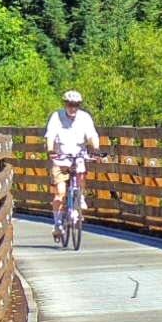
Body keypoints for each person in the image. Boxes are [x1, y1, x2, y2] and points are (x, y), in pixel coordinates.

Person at [44, 90, 101, 241]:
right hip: (61, 158)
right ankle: (57, 224)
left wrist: (96, 149)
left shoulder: (85, 117)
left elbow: (92, 135)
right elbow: (50, 135)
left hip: (78, 155)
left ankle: (80, 196)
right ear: (65, 104)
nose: (73, 108)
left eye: (76, 105)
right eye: (70, 105)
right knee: (60, 193)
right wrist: (50, 150)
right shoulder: (56, 117)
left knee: (81, 173)